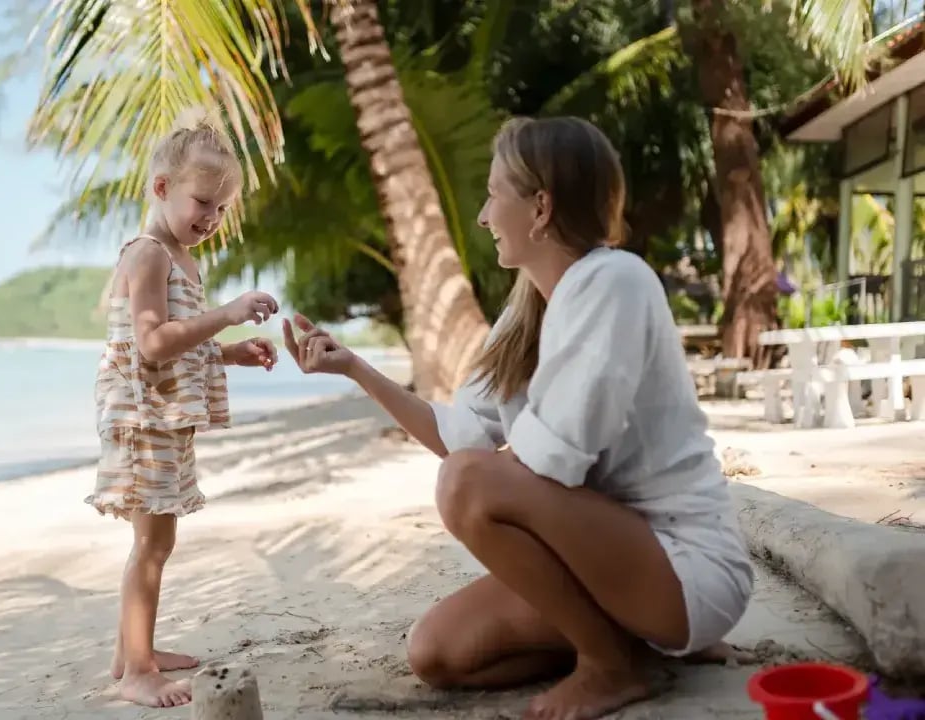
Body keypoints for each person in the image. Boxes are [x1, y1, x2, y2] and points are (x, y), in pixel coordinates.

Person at [281, 116, 754, 720]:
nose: (482, 216)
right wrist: (354, 370)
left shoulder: (616, 282)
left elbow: (551, 461)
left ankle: (611, 666)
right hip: (605, 560)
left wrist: (482, 478)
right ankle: (631, 646)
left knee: (466, 482)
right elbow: (463, 434)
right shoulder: (531, 305)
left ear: (540, 207)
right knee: (437, 654)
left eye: (492, 194)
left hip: (685, 570)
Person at [86, 108, 280, 709]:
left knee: (156, 541)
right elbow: (150, 343)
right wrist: (225, 313)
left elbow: (178, 347)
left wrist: (230, 354)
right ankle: (137, 670)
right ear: (162, 188)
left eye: (222, 210)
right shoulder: (149, 254)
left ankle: (130, 651)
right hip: (143, 420)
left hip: (162, 415)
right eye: (203, 202)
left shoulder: (181, 259)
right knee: (152, 544)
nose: (212, 219)